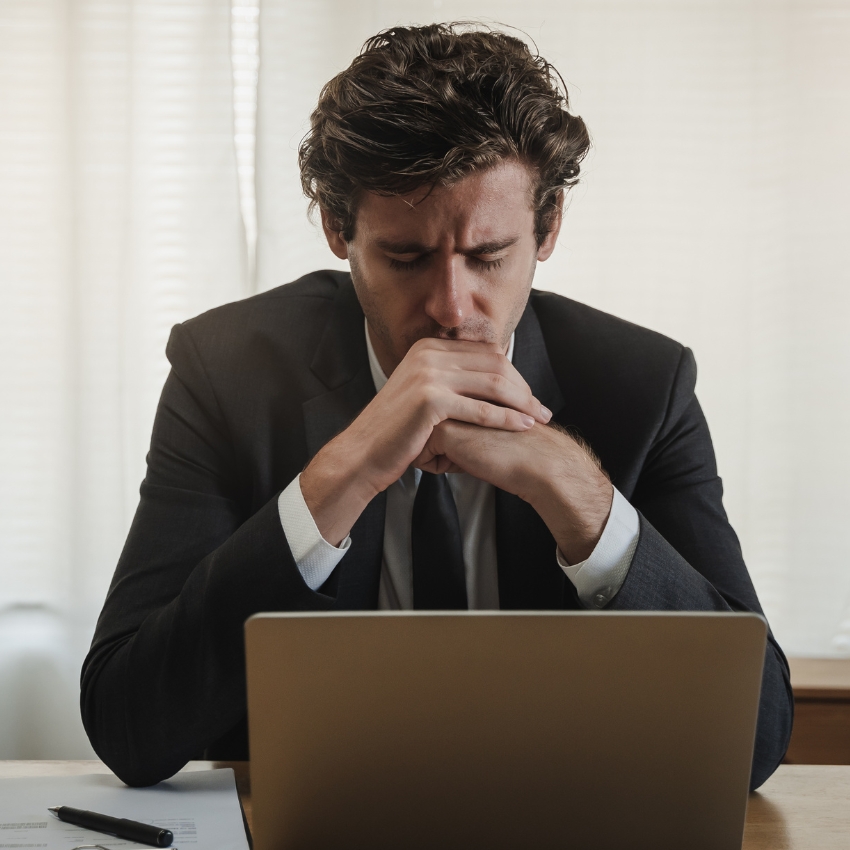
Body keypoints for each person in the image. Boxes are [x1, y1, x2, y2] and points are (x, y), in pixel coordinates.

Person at [81, 22, 793, 789]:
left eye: (489, 257)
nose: (452, 308)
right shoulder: (224, 373)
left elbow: (754, 740)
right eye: (407, 257)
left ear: (547, 228)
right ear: (336, 228)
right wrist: (341, 476)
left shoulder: (644, 386)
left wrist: (582, 497)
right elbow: (129, 726)